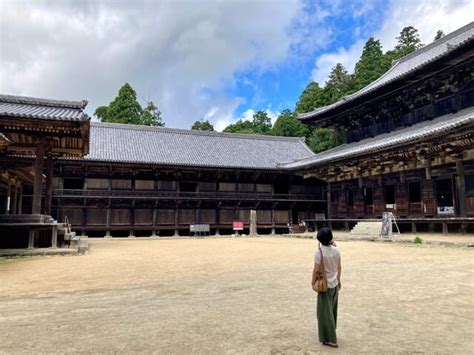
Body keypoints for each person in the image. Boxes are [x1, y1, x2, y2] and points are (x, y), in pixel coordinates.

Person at [311, 227, 341, 348]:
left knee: (324, 313)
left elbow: (316, 270)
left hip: (325, 285)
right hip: (334, 284)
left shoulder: (319, 253)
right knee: (332, 310)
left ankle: (331, 339)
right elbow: (339, 267)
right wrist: (339, 280)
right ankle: (331, 332)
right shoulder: (336, 251)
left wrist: (312, 282)